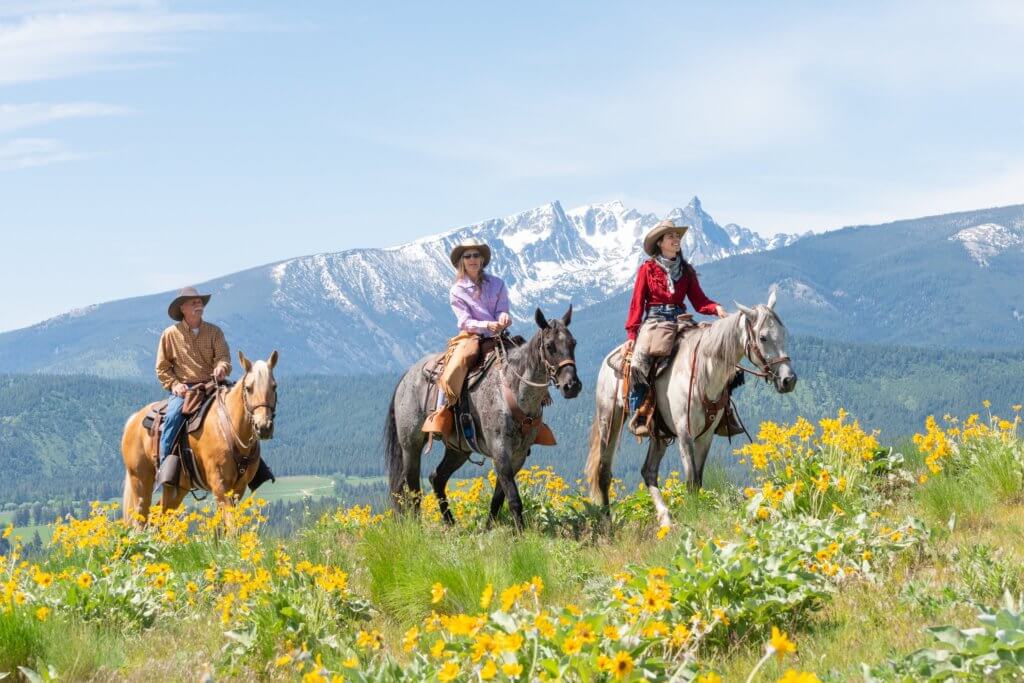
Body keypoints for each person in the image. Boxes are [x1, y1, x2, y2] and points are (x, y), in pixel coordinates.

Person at [154, 286, 274, 489]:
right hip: (186, 390)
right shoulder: (170, 335)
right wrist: (175, 385)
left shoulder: (214, 332)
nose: (199, 304)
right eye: (193, 302)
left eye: (200, 301)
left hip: (214, 385)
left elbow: (224, 358)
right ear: (182, 308)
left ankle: (253, 466)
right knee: (174, 416)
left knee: (244, 409)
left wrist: (221, 367)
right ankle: (166, 466)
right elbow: (162, 367)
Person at [624, 220, 728, 436]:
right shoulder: (647, 269)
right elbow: (637, 303)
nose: (676, 239)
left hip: (681, 319)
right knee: (639, 361)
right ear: (660, 243)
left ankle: (724, 412)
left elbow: (699, 301)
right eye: (670, 236)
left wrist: (715, 308)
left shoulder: (686, 271)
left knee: (712, 352)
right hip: (654, 322)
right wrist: (633, 334)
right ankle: (640, 413)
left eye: (677, 236)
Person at [422, 239, 512, 438]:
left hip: (497, 334)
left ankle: (534, 416)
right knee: (459, 361)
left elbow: (502, 309)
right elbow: (465, 321)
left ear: (482, 260)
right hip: (471, 336)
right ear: (462, 261)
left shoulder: (498, 284)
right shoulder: (457, 290)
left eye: (476, 255)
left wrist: (503, 318)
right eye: (468, 256)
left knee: (525, 354)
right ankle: (441, 410)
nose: (473, 259)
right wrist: (486, 325)